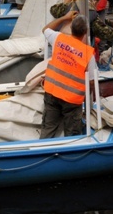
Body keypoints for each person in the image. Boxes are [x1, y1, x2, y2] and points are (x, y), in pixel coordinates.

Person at [40, 10, 97, 139]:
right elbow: (92, 82)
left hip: (52, 93)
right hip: (72, 99)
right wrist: (88, 102)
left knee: (48, 129)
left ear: (70, 28)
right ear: (86, 32)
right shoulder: (88, 54)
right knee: (72, 135)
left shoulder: (58, 39)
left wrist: (64, 17)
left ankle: (42, 151)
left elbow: (45, 29)